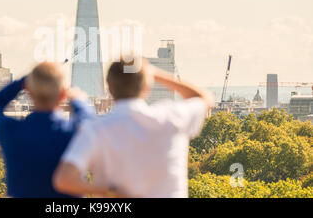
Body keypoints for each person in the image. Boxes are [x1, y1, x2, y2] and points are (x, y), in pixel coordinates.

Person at [53, 57, 214, 198]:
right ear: (147, 87)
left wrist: (108, 191)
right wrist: (155, 73)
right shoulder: (172, 118)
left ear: (109, 88)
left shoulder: (95, 130)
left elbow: (64, 179)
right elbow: (204, 98)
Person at [0, 61, 96, 198]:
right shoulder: (75, 133)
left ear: (29, 92)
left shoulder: (11, 132)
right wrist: (78, 101)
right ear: (62, 95)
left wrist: (24, 81)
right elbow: (88, 117)